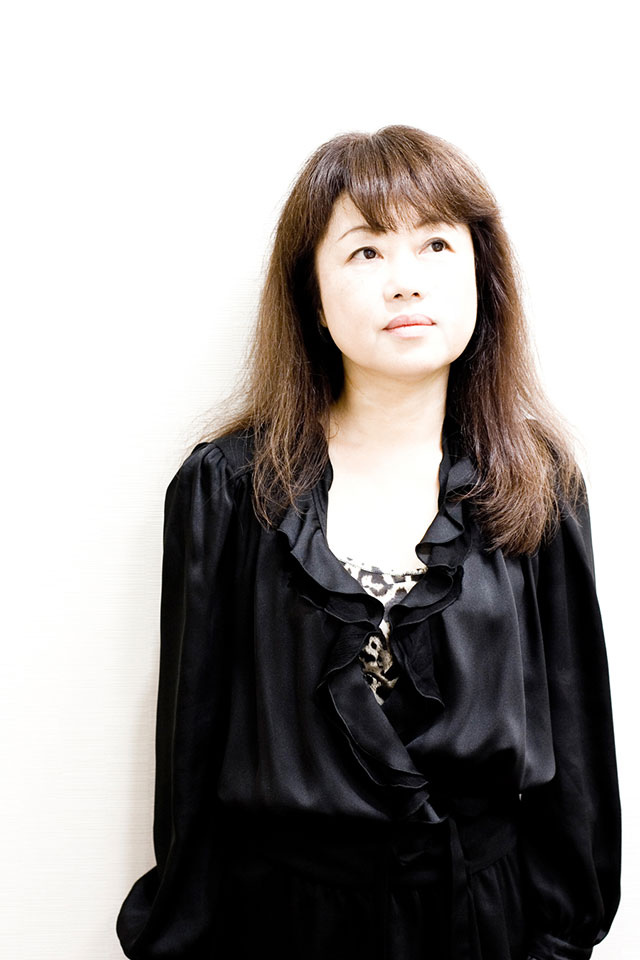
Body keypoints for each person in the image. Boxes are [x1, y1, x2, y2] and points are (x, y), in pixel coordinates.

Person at [116, 125, 621, 960]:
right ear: (313, 298)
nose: (405, 280)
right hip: (281, 924)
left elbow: (579, 763)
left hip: (485, 923)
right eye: (366, 251)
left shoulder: (539, 484)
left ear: (482, 277)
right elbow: (190, 766)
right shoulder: (227, 490)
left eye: (436, 244)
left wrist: (559, 942)